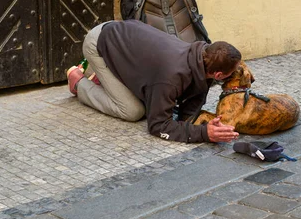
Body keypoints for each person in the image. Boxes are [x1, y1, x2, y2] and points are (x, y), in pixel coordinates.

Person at [67, 20, 242, 144]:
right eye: (232, 72)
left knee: (148, 98)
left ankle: (106, 77)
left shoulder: (202, 58)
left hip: (124, 38)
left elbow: (188, 109)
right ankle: (78, 82)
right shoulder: (171, 78)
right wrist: (205, 134)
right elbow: (158, 126)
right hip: (99, 42)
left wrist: (200, 125)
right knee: (133, 111)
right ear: (219, 74)